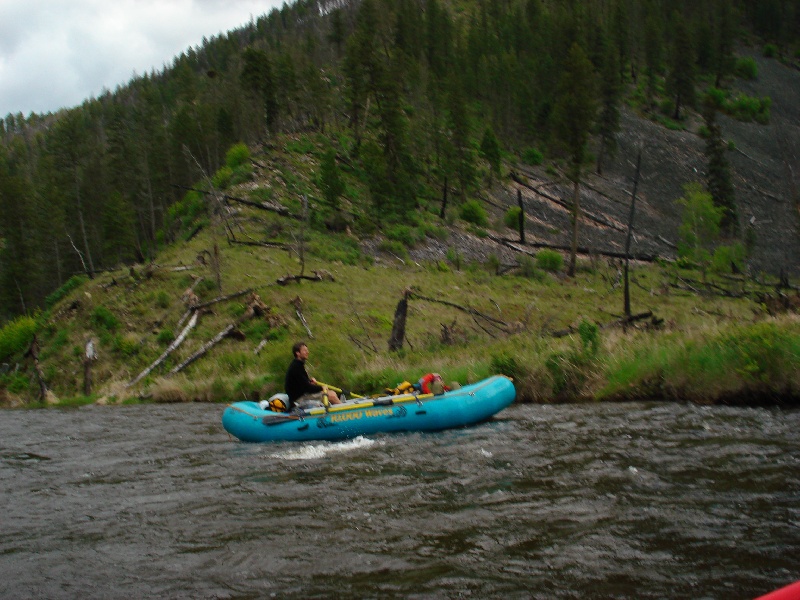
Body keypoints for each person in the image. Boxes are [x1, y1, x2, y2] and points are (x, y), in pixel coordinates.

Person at [284, 341, 340, 410]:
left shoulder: (298, 365)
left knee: (332, 393)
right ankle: (345, 413)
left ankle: (336, 411)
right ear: (297, 353)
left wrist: (309, 381)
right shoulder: (296, 367)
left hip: (302, 395)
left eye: (307, 350)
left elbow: (301, 383)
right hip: (299, 399)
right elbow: (307, 388)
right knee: (332, 396)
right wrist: (322, 387)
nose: (307, 352)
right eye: (304, 350)